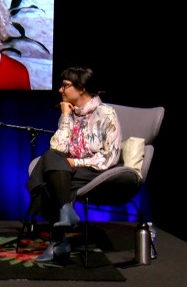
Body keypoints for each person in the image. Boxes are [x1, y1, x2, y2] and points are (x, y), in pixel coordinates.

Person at [25, 66, 122, 262]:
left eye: (66, 85)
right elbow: (58, 147)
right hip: (66, 169)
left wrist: (75, 161)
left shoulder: (107, 114)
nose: (60, 90)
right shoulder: (71, 113)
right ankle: (66, 212)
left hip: (96, 170)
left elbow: (109, 157)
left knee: (48, 177)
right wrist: (66, 117)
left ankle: (59, 242)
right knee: (50, 157)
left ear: (82, 88)